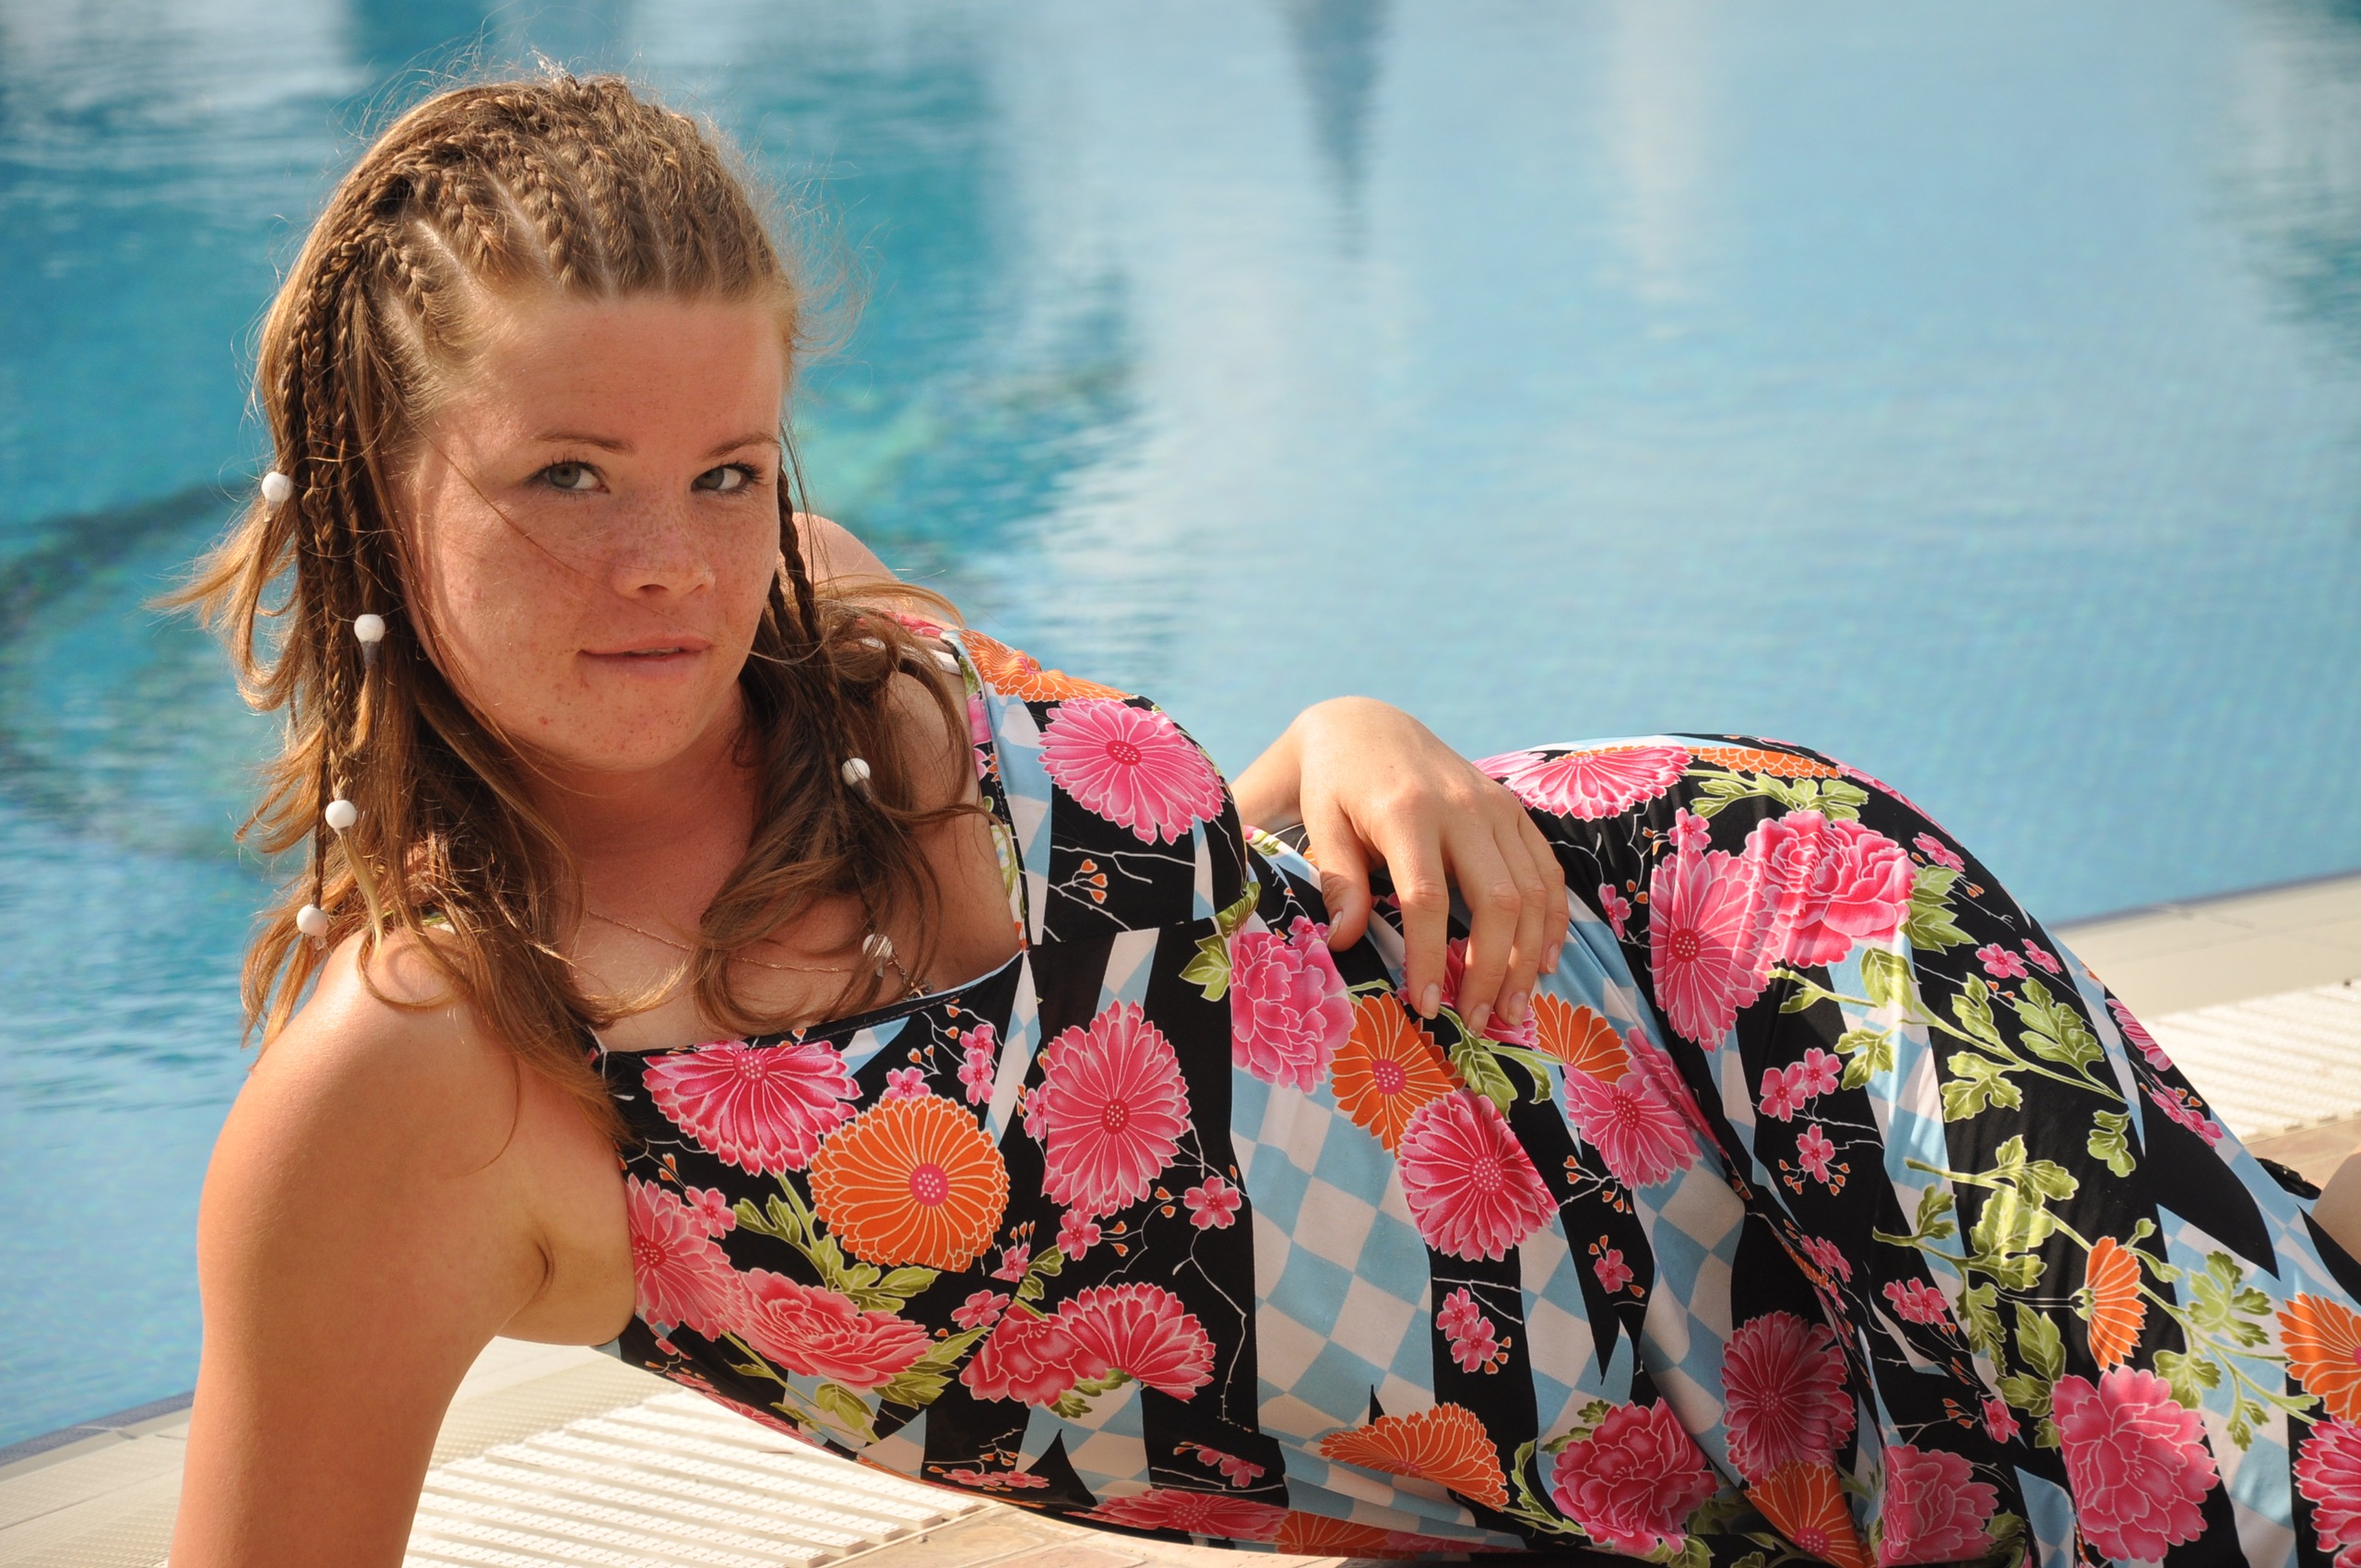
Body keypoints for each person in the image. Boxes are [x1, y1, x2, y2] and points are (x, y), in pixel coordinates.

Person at [169, 75, 2361, 1568]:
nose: (671, 559)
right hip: (1661, 1417)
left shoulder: (818, 630)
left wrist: (1352, 736)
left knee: (2278, 1491)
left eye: (726, 469)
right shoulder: (416, 1081)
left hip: (1733, 956)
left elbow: (1180, 938)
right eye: (566, 477)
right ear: (373, 483)